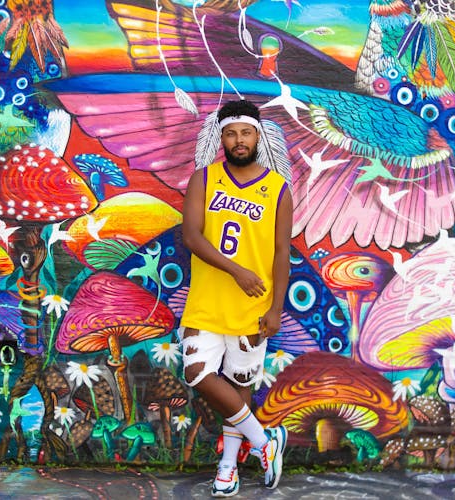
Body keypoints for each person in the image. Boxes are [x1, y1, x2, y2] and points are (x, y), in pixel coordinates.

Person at [180, 99, 293, 497]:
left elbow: (282, 253)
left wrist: (277, 308)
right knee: (196, 373)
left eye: (245, 133)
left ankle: (228, 467)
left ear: (257, 136)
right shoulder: (204, 179)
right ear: (222, 138)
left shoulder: (277, 189)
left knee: (240, 383)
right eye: (231, 133)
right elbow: (192, 236)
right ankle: (265, 442)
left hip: (253, 305)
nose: (238, 140)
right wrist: (235, 270)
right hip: (208, 301)